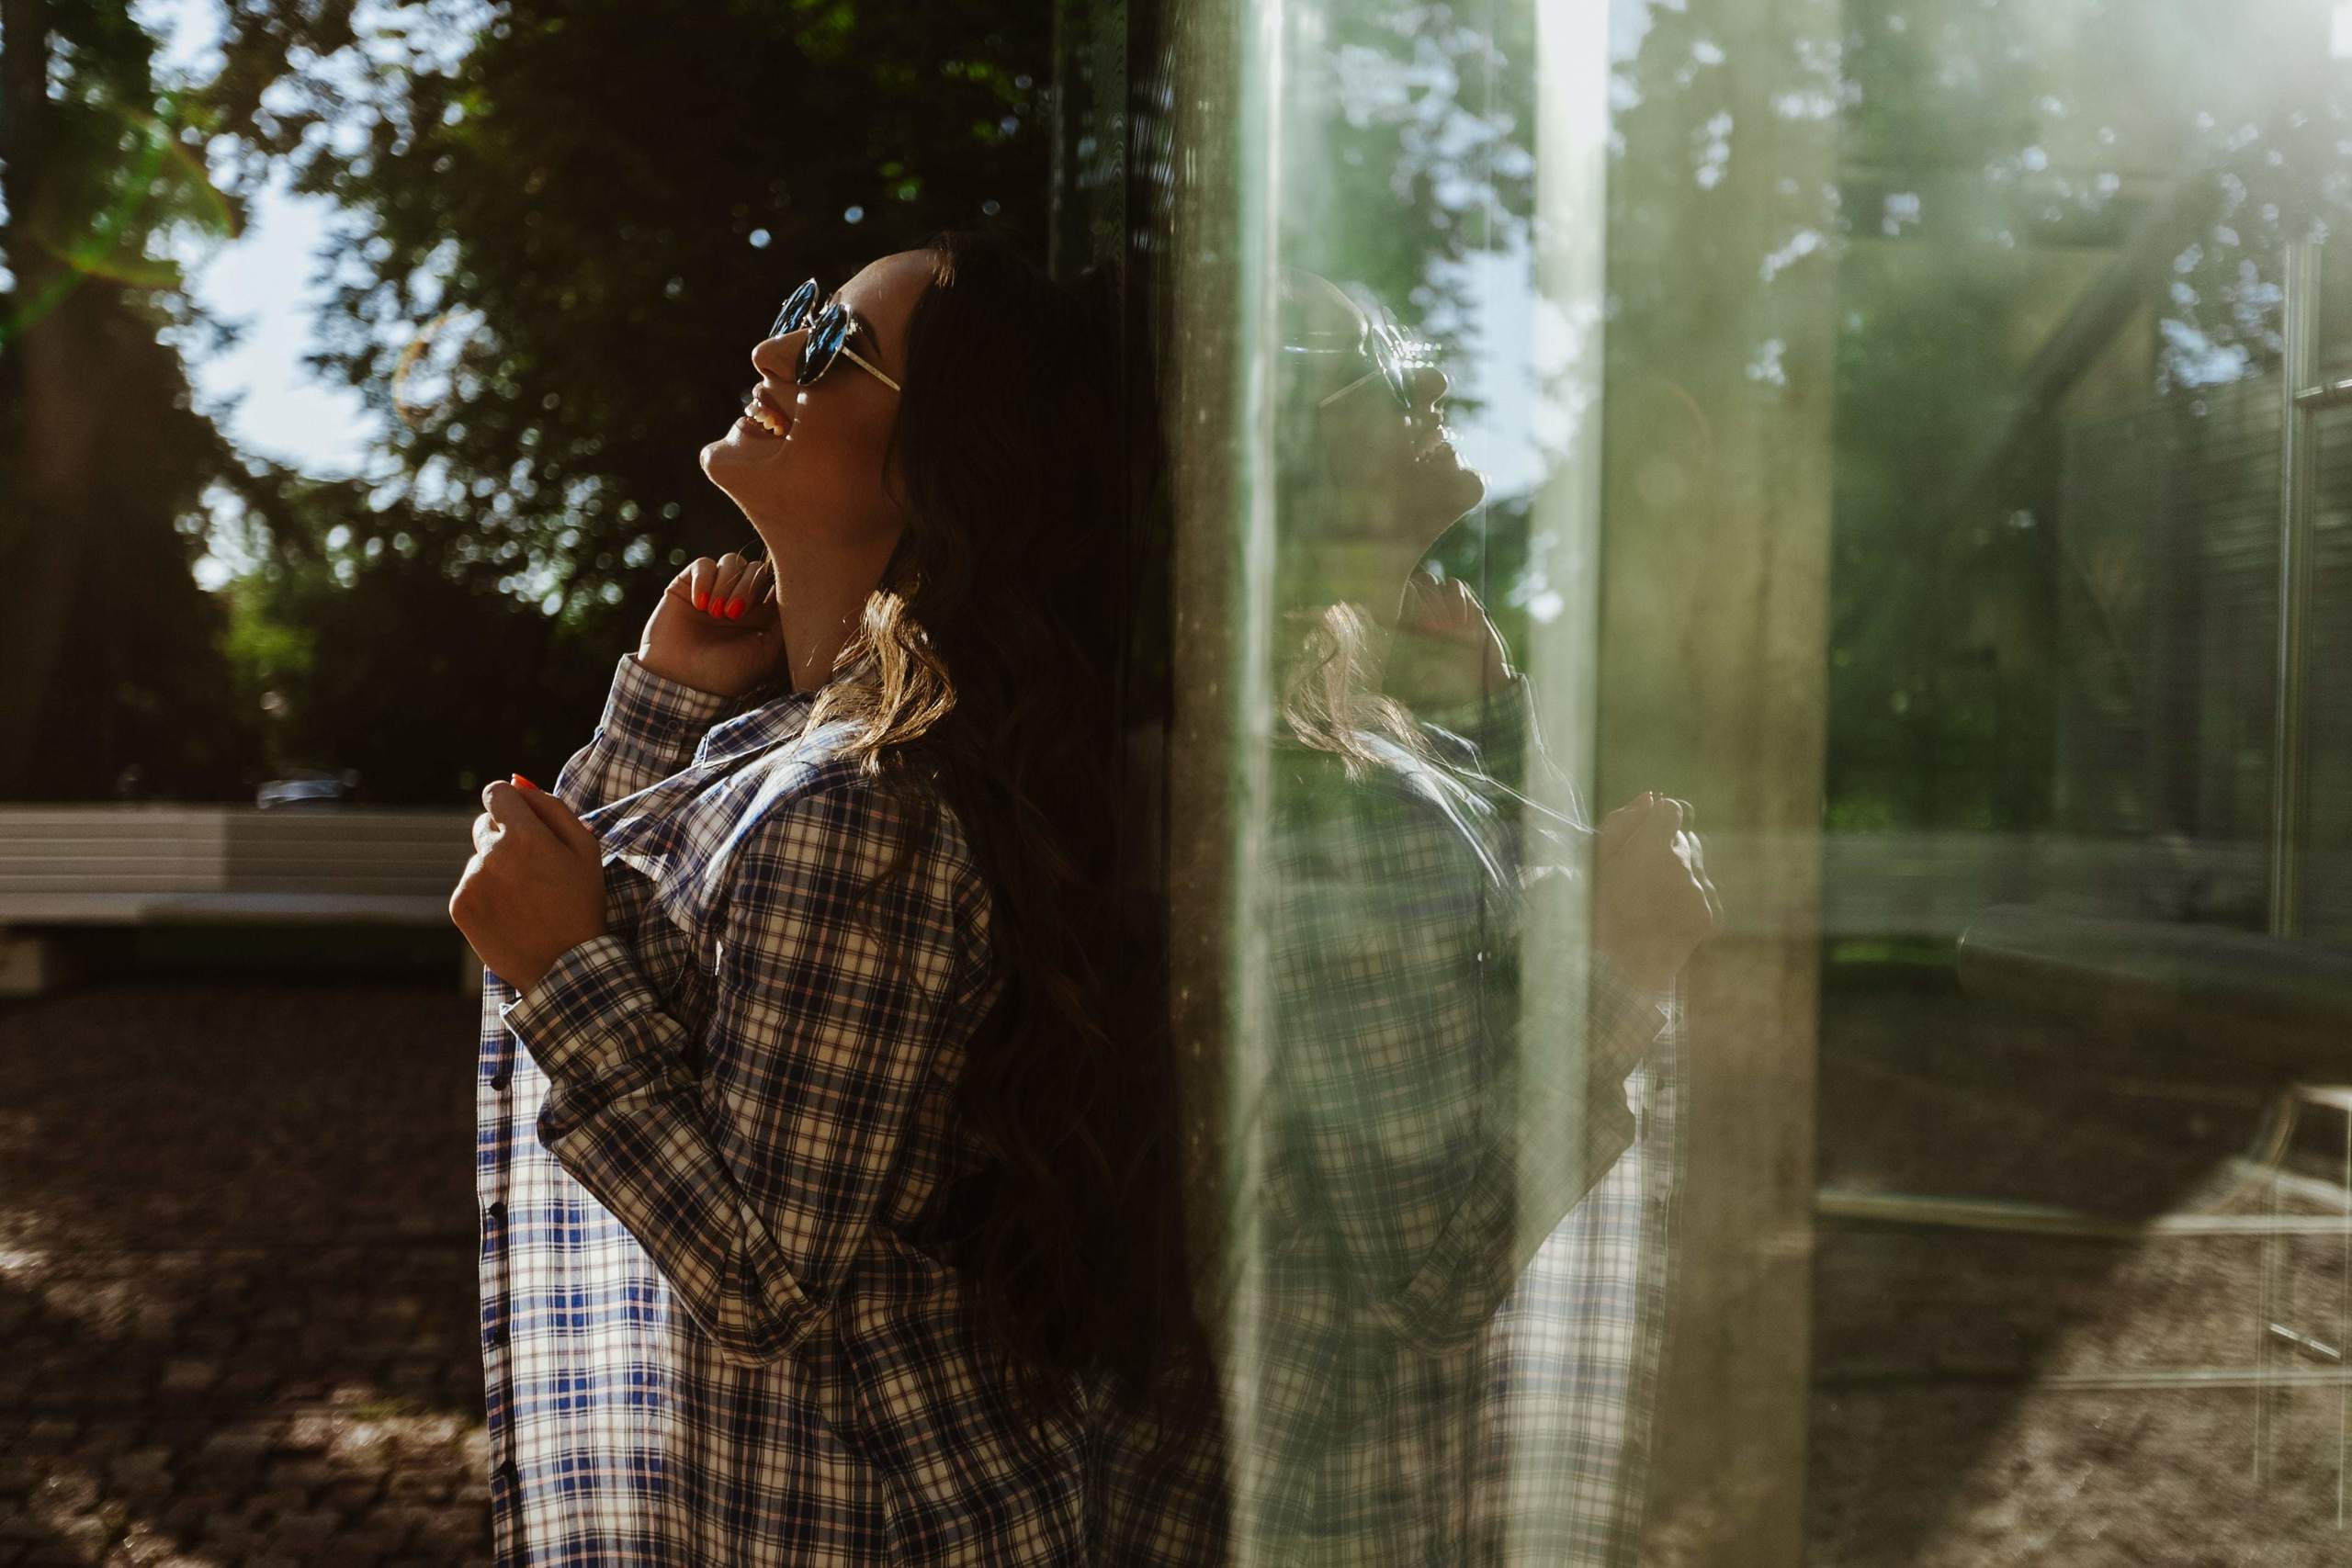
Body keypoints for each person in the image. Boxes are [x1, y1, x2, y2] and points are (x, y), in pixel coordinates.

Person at [449, 231, 1197, 1565]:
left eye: (837, 345)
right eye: (805, 311)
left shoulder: (864, 804)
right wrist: (662, 708)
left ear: (944, 464)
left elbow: (760, 1278)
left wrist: (561, 975)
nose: (774, 350)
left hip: (855, 1526)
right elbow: (606, 927)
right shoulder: (800, 752)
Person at [1220, 269, 1718, 1565]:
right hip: (1346, 1509)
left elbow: (1500, 936)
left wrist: (1493, 727)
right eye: (1386, 367)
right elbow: (1431, 1269)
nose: (1433, 380)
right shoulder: (1323, 780)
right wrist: (1629, 970)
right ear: (1281, 445)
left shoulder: (1351, 727)